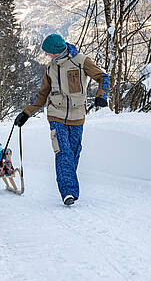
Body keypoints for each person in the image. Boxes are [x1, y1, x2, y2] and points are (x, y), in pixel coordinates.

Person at [14, 33, 110, 206]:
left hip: (77, 116)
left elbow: (103, 77)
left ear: (56, 51)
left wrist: (101, 95)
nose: (45, 55)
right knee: (63, 152)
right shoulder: (50, 68)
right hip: (56, 115)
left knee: (74, 153)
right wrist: (26, 113)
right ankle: (68, 192)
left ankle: (69, 186)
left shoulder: (80, 61)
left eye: (47, 52)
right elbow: (43, 94)